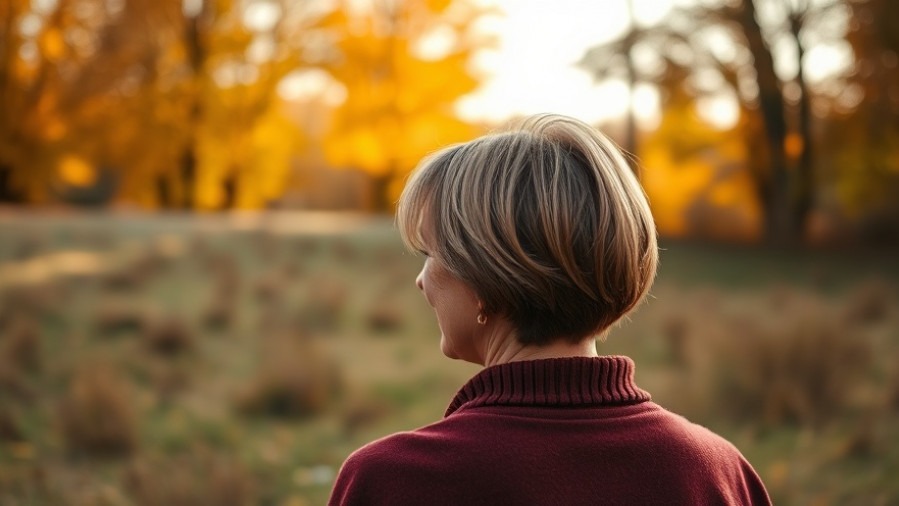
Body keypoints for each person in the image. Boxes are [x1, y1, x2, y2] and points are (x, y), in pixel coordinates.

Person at [329, 114, 771, 505]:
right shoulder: (718, 473)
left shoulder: (393, 480)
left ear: (483, 275)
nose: (421, 280)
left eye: (430, 252)